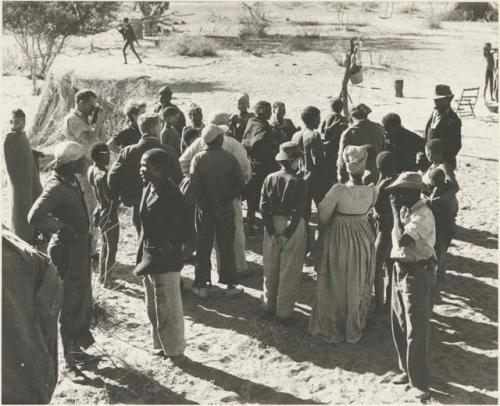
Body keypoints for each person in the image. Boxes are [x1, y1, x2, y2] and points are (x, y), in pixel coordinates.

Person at [28, 141, 95, 375]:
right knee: (69, 303)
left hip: (79, 250)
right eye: (80, 161)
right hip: (67, 252)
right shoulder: (56, 187)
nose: (85, 163)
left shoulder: (70, 180)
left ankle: (77, 350)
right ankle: (69, 362)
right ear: (69, 164)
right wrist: (61, 228)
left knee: (81, 300)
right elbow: (34, 215)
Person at [309, 146, 377, 344]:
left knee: (336, 280)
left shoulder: (338, 190)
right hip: (363, 236)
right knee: (357, 280)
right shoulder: (371, 191)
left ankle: (335, 324)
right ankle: (353, 324)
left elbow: (323, 214)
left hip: (339, 237)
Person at [180, 112, 253, 277]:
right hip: (228, 198)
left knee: (207, 238)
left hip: (205, 200)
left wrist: (194, 180)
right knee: (231, 234)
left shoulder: (199, 144)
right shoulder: (232, 145)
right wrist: (235, 188)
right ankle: (236, 268)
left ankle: (212, 272)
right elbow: (245, 169)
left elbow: (183, 161)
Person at [386, 171, 436, 401]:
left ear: (411, 193)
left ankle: (420, 382)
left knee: (416, 329)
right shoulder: (410, 210)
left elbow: (401, 240)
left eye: (399, 192)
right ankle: (406, 370)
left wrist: (395, 213)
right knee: (399, 323)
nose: (396, 197)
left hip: (417, 273)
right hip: (401, 270)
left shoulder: (422, 216)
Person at [134, 148, 188, 361]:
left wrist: (167, 249)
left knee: (169, 308)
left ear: (160, 169)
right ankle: (160, 345)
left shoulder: (173, 195)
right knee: (153, 306)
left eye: (144, 166)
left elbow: (183, 230)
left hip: (165, 261)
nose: (141, 170)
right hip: (148, 258)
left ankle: (175, 350)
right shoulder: (148, 188)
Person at [189, 125, 246, 298]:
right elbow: (239, 184)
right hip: (225, 210)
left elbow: (195, 187)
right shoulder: (229, 158)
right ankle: (230, 285)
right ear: (219, 139)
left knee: (203, 247)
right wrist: (224, 202)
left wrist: (208, 204)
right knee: (226, 247)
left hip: (205, 211)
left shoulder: (198, 159)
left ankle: (202, 285)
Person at [108, 113, 182, 236]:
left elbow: (113, 176)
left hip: (137, 202)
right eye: (160, 125)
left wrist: (121, 197)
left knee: (142, 237)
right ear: (153, 129)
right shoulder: (168, 150)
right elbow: (178, 178)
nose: (161, 128)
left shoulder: (128, 151)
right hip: (164, 202)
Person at [260, 142, 307, 324]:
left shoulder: (269, 178)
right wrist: (287, 233)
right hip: (291, 225)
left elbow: (263, 206)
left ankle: (267, 305)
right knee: (289, 270)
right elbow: (298, 210)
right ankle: (284, 312)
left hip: (271, 223)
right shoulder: (298, 181)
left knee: (270, 267)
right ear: (294, 161)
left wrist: (272, 232)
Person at [62, 89, 106, 260]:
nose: (92, 108)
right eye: (90, 104)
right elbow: (88, 140)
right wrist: (98, 123)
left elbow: (101, 140)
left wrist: (99, 123)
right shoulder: (72, 119)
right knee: (88, 208)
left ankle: (90, 249)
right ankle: (88, 251)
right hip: (79, 167)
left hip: (87, 165)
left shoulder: (84, 119)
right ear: (80, 102)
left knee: (92, 207)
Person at [421, 139, 459, 302]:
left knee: (440, 251)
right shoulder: (433, 166)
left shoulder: (443, 167)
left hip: (443, 216)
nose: (426, 155)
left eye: (428, 153)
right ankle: (436, 288)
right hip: (435, 214)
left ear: (434, 152)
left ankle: (437, 291)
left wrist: (436, 200)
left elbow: (454, 187)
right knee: (437, 249)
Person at [4, 109, 43, 243]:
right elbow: (11, 161)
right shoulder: (10, 138)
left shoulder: (22, 135)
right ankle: (22, 237)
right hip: (19, 181)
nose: (20, 124)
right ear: (11, 122)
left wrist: (34, 153)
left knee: (33, 202)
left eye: (23, 122)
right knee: (21, 207)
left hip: (29, 177)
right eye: (17, 121)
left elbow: (25, 151)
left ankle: (33, 234)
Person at [242, 101, 279, 234]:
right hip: (262, 167)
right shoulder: (263, 127)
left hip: (251, 164)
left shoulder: (251, 122)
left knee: (252, 200)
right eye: (268, 111)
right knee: (263, 198)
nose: (270, 114)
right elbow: (259, 146)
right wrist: (275, 150)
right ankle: (261, 227)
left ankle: (250, 224)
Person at [88, 143, 119, 288]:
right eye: (107, 154)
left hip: (99, 210)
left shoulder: (91, 170)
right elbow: (111, 199)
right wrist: (113, 212)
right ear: (100, 156)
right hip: (108, 213)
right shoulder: (103, 175)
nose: (109, 157)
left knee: (105, 246)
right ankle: (108, 280)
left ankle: (102, 277)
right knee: (111, 248)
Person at [373, 151, 397, 313]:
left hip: (383, 230)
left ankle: (379, 305)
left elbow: (373, 203)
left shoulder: (382, 185)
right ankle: (389, 303)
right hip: (395, 230)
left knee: (376, 269)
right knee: (390, 269)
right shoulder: (399, 181)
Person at [337, 103, 385, 183]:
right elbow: (383, 152)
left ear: (351, 116)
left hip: (357, 178)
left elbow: (342, 161)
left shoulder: (349, 133)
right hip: (377, 177)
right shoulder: (379, 129)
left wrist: (342, 180)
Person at [424, 84, 462, 170]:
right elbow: (426, 135)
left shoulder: (453, 120)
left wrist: (439, 158)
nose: (436, 102)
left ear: (448, 100)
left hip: (444, 164)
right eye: (435, 100)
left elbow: (456, 145)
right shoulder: (434, 114)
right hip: (429, 161)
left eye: (439, 100)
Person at [320, 97, 348, 188]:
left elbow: (322, 133)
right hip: (338, 151)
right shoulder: (343, 119)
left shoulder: (327, 117)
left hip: (327, 152)